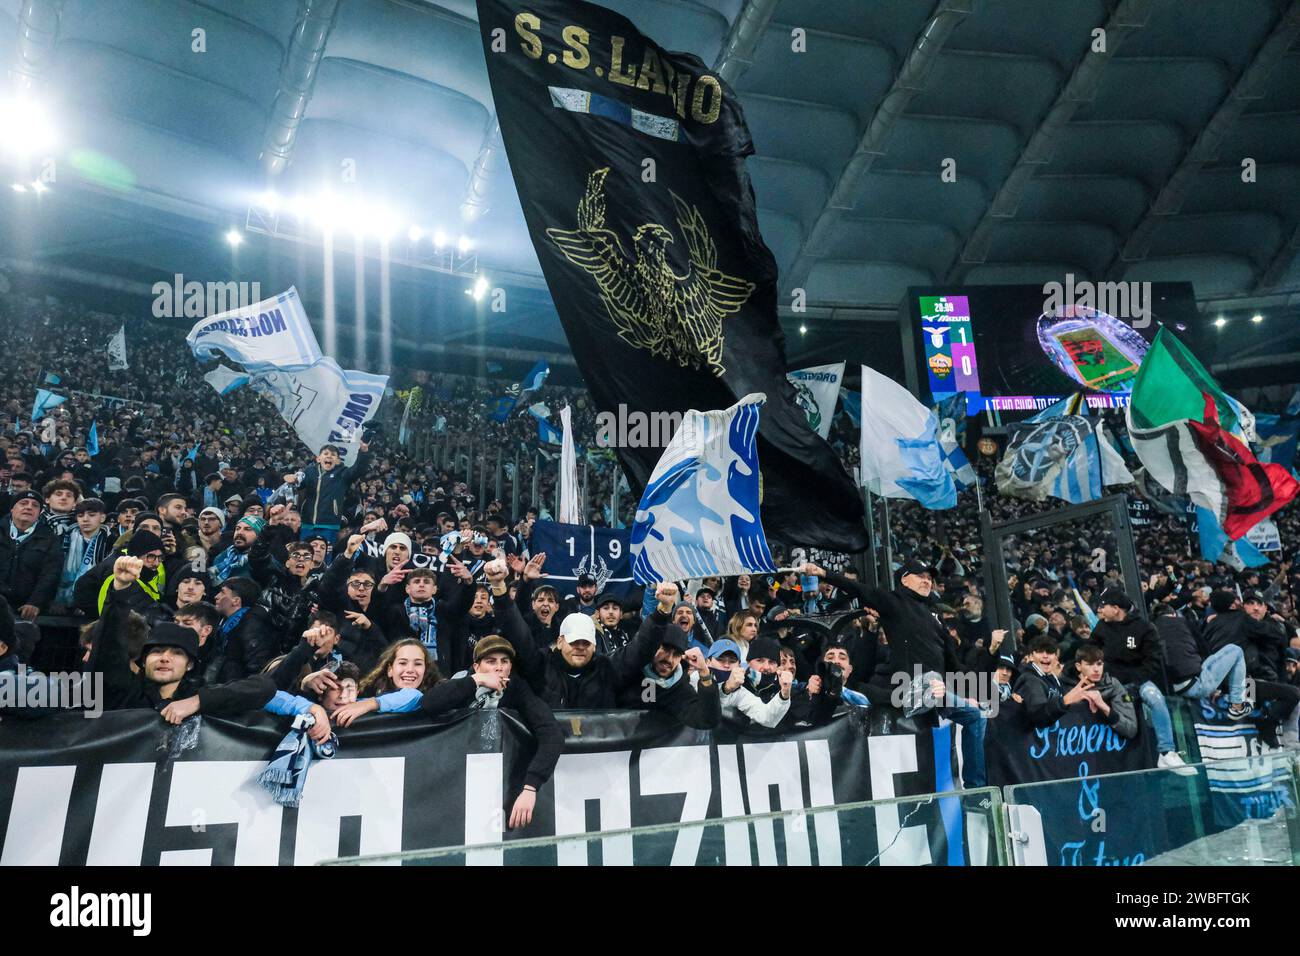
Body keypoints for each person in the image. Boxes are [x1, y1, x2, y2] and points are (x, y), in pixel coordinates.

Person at [802, 559, 987, 788]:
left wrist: (988, 670)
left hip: (935, 691)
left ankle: (976, 790)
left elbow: (956, 667)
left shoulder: (935, 616)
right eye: (921, 576)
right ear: (904, 579)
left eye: (929, 578)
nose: (927, 581)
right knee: (940, 690)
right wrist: (823, 573)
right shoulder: (895, 602)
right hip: (910, 689)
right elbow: (861, 589)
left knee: (976, 716)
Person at [89, 555, 277, 716]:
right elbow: (107, 650)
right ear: (144, 660)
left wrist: (197, 702)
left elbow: (264, 687)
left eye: (177, 653)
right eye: (157, 651)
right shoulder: (123, 691)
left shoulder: (198, 693)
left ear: (190, 664)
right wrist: (120, 591)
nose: (165, 658)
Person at [420, 634, 562, 830]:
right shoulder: (462, 681)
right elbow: (429, 703)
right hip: (450, 775)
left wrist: (530, 787)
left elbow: (552, 733)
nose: (499, 667)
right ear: (477, 666)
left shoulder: (517, 688)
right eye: (490, 661)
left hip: (492, 778)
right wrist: (477, 680)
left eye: (505, 661)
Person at [1089, 588, 1188, 771]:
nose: (1100, 611)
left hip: (1138, 681)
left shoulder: (1144, 627)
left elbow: (1154, 660)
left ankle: (1166, 752)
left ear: (1116, 608)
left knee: (1156, 699)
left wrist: (1136, 683)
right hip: (1110, 682)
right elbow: (1088, 653)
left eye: (1104, 606)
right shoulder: (1101, 627)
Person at [614, 582, 721, 729]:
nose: (669, 659)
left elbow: (706, 720)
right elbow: (644, 640)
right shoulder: (630, 664)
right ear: (654, 646)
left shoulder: (679, 687)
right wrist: (663, 609)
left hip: (648, 749)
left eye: (676, 654)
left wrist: (705, 674)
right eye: (664, 648)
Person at [1152, 602, 1252, 719]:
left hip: (1170, 688)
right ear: (1174, 615)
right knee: (1235, 650)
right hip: (1194, 685)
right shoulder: (1183, 622)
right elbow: (1205, 650)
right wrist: (1216, 688)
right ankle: (1237, 706)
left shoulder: (1152, 630)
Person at [283, 441, 372, 542]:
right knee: (305, 554)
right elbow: (298, 484)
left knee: (325, 556)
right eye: (326, 453)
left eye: (333, 455)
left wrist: (363, 451)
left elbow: (359, 469)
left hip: (330, 526)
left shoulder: (343, 473)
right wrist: (292, 478)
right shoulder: (309, 471)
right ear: (318, 458)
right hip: (307, 524)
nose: (329, 456)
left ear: (338, 461)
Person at [0, 490, 63, 621]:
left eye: (35, 505)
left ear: (39, 513)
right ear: (12, 509)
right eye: (23, 503)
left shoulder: (50, 539)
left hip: (27, 608)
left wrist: (36, 602)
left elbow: (50, 574)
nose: (29, 507)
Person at [707, 636, 793, 728]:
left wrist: (784, 694)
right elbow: (705, 707)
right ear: (707, 662)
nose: (727, 665)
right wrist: (726, 688)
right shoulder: (693, 679)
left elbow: (766, 717)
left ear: (739, 665)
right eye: (720, 660)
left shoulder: (739, 691)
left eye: (732, 661)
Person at [1060, 645, 1139, 739]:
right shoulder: (1063, 685)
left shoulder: (1114, 685)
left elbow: (1130, 729)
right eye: (1089, 664)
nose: (1096, 669)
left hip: (1109, 748)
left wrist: (1104, 706)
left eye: (1099, 664)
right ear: (1078, 666)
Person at [212, 576, 278, 681]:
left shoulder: (253, 625)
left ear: (236, 601)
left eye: (222, 592)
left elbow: (256, 666)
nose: (216, 596)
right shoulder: (224, 621)